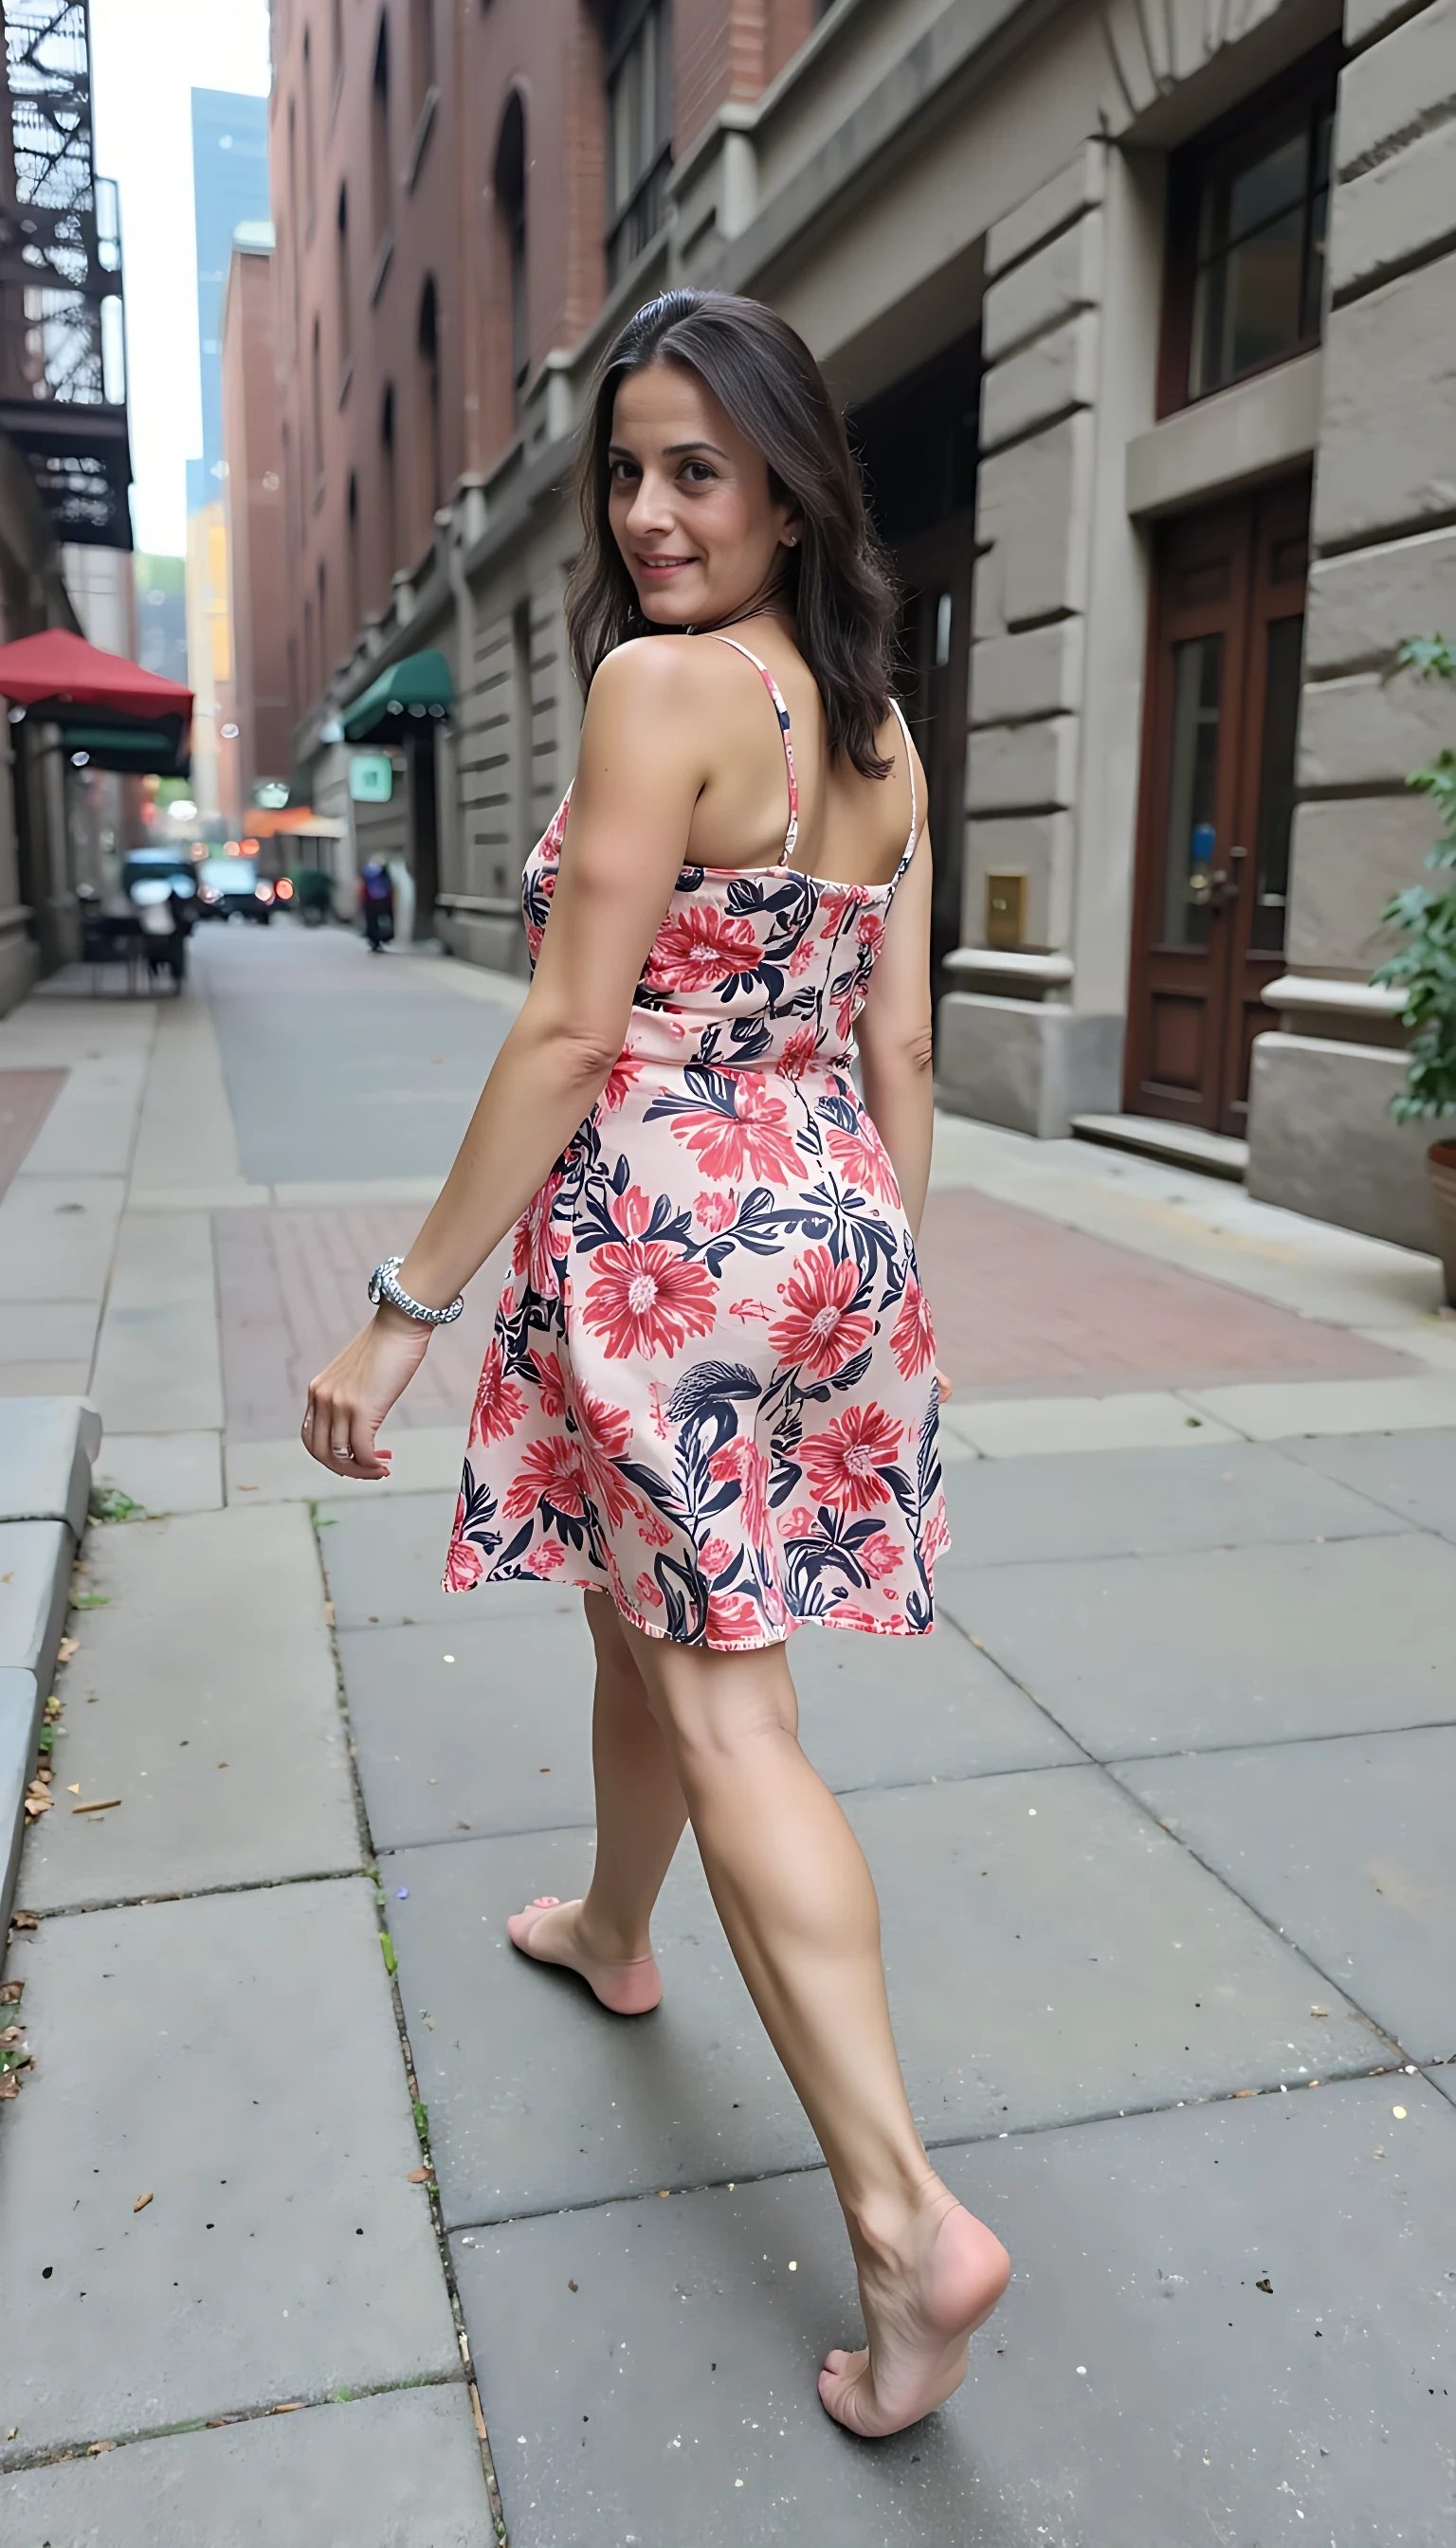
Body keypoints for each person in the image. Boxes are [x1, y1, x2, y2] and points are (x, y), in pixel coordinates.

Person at [301, 286, 1010, 2436]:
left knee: (729, 1703)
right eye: (628, 469)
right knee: (651, 1636)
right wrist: (887, 1292)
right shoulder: (873, 726)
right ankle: (618, 1929)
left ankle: (902, 2225)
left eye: (696, 467)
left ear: (792, 483)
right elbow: (895, 1046)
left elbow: (564, 1031)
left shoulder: (655, 690)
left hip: (662, 1260)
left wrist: (398, 1311)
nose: (647, 509)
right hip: (816, 1235)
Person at [358, 858, 394, 952]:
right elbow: (390, 888)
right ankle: (385, 937)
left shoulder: (367, 873)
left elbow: (363, 888)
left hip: (370, 902)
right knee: (385, 920)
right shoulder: (384, 874)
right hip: (383, 902)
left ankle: (374, 941)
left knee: (371, 922)